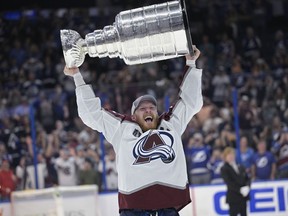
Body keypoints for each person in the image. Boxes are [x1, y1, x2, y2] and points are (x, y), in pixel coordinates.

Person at [63, 45, 202, 216]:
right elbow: (91, 114)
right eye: (142, 109)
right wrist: (76, 75)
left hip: (168, 208)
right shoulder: (121, 128)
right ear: (134, 116)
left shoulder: (171, 124)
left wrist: (191, 62)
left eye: (152, 107)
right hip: (134, 209)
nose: (148, 110)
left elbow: (191, 101)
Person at [220, 147, 251, 216]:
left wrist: (247, 187)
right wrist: (240, 190)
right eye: (228, 155)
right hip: (233, 198)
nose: (231, 156)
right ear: (225, 157)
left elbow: (247, 178)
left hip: (243, 197)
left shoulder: (240, 166)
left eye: (232, 154)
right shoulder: (224, 168)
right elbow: (229, 182)